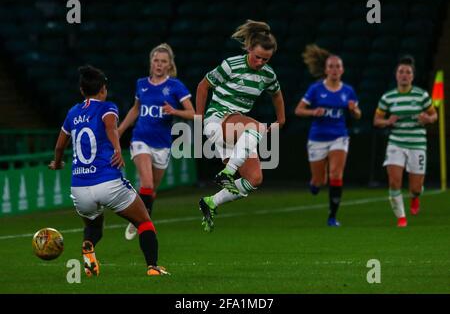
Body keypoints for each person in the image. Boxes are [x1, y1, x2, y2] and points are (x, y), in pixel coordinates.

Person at [48, 65, 169, 276]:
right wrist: (116, 149)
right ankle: (153, 267)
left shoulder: (73, 113)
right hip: (108, 182)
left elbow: (59, 146)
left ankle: (88, 247)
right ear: (103, 89)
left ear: (81, 90)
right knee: (143, 222)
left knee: (94, 228)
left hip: (79, 188)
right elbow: (110, 126)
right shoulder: (107, 108)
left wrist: (57, 163)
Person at [196, 20, 286, 232]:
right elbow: (203, 86)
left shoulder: (268, 74)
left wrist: (281, 119)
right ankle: (227, 172)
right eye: (257, 57)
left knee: (254, 179)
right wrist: (199, 119)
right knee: (257, 127)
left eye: (266, 59)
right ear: (248, 49)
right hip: (217, 119)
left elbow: (277, 94)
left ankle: (210, 202)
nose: (260, 62)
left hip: (236, 128)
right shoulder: (231, 65)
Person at [117, 43, 194, 240]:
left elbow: (194, 114)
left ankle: (141, 216)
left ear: (169, 65)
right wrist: (119, 130)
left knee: (151, 191)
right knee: (147, 184)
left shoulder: (176, 86)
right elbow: (136, 109)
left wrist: (175, 111)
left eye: (163, 62)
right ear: (151, 63)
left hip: (162, 143)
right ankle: (141, 223)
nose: (159, 65)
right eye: (156, 61)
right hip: (141, 138)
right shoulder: (141, 83)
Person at [294, 44, 362, 227]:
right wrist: (313, 112)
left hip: (339, 137)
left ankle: (332, 216)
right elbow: (299, 110)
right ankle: (315, 184)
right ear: (325, 70)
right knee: (320, 180)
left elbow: (358, 114)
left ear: (342, 70)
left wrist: (354, 110)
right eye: (331, 66)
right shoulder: (316, 89)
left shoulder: (348, 90)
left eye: (338, 66)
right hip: (317, 139)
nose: (334, 69)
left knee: (335, 174)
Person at [373, 55, 437, 227]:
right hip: (396, 142)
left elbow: (434, 115)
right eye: (401, 72)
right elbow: (376, 120)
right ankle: (401, 217)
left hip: (417, 144)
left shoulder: (421, 95)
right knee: (394, 181)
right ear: (396, 75)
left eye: (408, 72)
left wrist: (427, 119)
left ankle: (415, 197)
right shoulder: (388, 97)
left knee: (415, 188)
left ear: (412, 76)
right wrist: (387, 122)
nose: (404, 75)